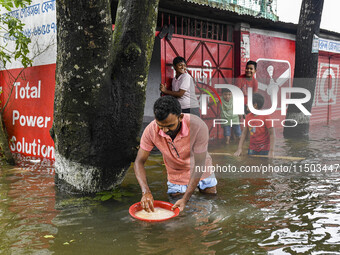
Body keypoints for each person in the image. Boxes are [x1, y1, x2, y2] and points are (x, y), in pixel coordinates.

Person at [134, 96, 217, 213]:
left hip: (202, 169)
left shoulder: (198, 126)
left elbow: (199, 164)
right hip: (176, 174)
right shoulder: (150, 130)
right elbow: (139, 161)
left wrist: (186, 198)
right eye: (160, 125)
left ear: (181, 117)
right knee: (178, 213)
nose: (165, 130)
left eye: (170, 126)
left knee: (210, 203)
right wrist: (145, 192)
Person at [234, 93, 275, 157]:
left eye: (248, 103)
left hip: (264, 149)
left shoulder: (266, 116)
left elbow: (272, 134)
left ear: (255, 105)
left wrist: (271, 151)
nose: (246, 104)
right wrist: (239, 149)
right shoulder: (248, 117)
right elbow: (244, 133)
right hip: (252, 148)